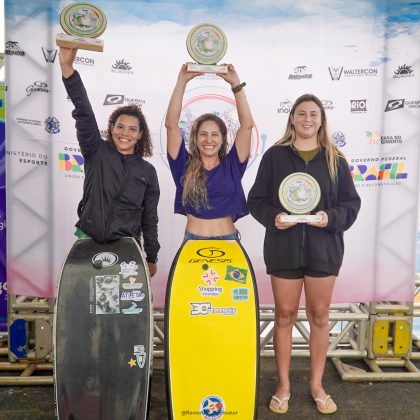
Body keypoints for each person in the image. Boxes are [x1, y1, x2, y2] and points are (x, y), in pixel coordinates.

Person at [247, 94, 361, 415]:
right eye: (301, 113)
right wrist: (274, 217)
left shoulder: (335, 159)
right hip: (283, 249)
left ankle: (316, 385)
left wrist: (331, 219)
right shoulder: (274, 157)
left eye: (313, 114)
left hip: (324, 249)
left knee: (320, 317)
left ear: (322, 120)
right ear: (292, 118)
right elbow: (256, 201)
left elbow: (351, 205)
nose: (307, 119)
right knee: (284, 316)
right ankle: (283, 385)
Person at [59, 47, 160, 276]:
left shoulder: (147, 171)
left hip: (127, 248)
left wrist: (151, 255)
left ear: (140, 135)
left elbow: (149, 217)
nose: (125, 133)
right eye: (120, 126)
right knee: (86, 304)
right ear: (111, 128)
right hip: (87, 241)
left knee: (123, 310)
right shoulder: (96, 151)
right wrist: (68, 69)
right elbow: (84, 112)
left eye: (132, 129)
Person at [165, 64, 253, 239]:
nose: (209, 140)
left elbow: (247, 126)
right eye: (203, 134)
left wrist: (235, 84)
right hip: (193, 242)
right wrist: (182, 81)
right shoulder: (183, 164)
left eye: (215, 134)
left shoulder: (233, 165)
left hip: (229, 242)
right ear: (196, 139)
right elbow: (171, 125)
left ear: (222, 139)